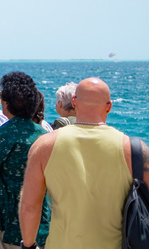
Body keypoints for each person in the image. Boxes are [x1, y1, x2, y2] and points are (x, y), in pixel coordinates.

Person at [19, 77, 149, 249]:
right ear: (109, 106)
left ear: (74, 101)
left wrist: (28, 245)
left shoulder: (44, 146)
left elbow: (30, 205)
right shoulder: (135, 150)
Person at [0, 72, 50, 249]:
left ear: (5, 103)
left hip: (9, 223)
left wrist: (1, 183)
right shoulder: (46, 137)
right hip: (42, 223)